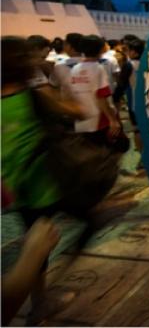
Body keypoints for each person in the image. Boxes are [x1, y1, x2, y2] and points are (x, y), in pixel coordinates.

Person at [1, 37, 84, 324]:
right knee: (40, 243)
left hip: (14, 188)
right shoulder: (34, 95)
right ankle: (40, 305)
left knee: (35, 238)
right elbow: (78, 112)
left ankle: (40, 300)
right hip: (44, 184)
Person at [69, 35, 121, 142]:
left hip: (82, 119)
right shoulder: (98, 68)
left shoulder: (75, 68)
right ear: (102, 49)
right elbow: (101, 97)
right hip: (100, 120)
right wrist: (112, 120)